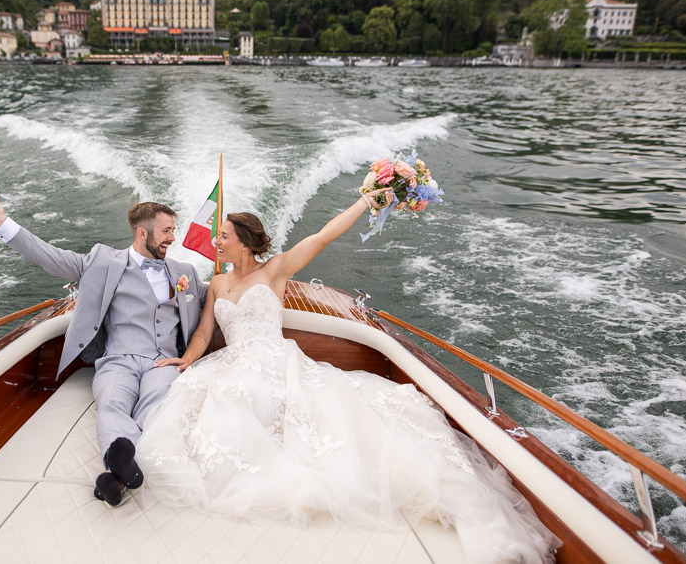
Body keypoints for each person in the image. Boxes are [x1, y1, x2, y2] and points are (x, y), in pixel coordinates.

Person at [137, 195, 560, 563]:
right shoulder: (216, 283)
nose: (216, 241)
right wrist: (187, 360)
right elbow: (206, 332)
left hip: (275, 357)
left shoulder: (277, 270)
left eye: (224, 236)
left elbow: (323, 236)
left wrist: (366, 200)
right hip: (232, 359)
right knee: (205, 393)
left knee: (268, 399)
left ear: (244, 242)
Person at [0, 191, 208, 507]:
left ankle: (117, 476)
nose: (172, 238)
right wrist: (4, 223)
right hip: (117, 360)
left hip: (163, 361)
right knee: (111, 403)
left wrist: (266, 276)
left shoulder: (183, 270)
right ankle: (120, 464)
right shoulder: (103, 261)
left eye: (173, 231)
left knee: (156, 404)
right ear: (142, 232)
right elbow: (51, 258)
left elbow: (217, 294)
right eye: (166, 231)